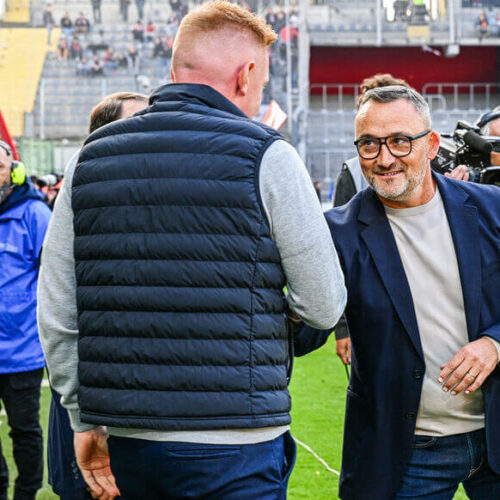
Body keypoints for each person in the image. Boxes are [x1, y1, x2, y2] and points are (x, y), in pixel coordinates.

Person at [38, 2, 346, 499]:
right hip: (238, 439)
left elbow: (56, 311)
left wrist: (80, 415)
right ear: (246, 75)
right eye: (262, 83)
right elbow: (325, 302)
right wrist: (257, 322)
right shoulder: (267, 154)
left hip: (127, 435)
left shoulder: (89, 158)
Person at [322, 85, 500, 499]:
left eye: (400, 141)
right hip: (406, 451)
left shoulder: (492, 208)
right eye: (369, 144)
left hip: (494, 434)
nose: (385, 159)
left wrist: (494, 343)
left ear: (432, 144)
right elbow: (308, 327)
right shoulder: (337, 232)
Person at [45, 92, 149, 500]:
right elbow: (57, 312)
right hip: (86, 409)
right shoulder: (83, 193)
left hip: (139, 414)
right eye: (138, 122)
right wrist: (81, 414)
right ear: (101, 138)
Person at [332, 73, 410, 366]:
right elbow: (338, 253)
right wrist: (342, 327)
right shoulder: (353, 172)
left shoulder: (435, 167)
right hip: (372, 314)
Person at [0, 141, 51, 500]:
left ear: (14, 170)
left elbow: (53, 280)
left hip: (22, 350)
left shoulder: (34, 214)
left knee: (25, 430)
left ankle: (27, 492)